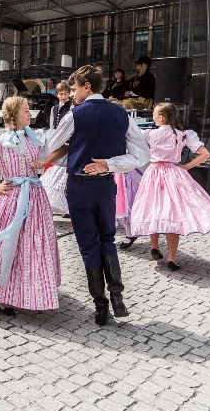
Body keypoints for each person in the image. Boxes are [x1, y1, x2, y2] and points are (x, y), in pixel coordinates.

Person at [37, 65, 149, 326]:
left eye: (74, 89)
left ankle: (101, 306)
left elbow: (52, 145)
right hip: (107, 185)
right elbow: (143, 154)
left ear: (87, 86)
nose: (72, 94)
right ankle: (117, 296)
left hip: (80, 187)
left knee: (88, 245)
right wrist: (109, 164)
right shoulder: (121, 114)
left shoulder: (75, 114)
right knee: (107, 239)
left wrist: (74, 146)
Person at [0, 96, 61, 314]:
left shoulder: (36, 138)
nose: (30, 114)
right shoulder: (0, 143)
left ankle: (27, 290)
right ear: (15, 115)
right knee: (6, 245)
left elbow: (62, 147)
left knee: (30, 246)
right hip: (13, 200)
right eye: (26, 110)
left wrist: (44, 162)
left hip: (33, 198)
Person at [129, 103, 210, 270]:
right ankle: (171, 257)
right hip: (174, 173)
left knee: (153, 209)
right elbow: (205, 154)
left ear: (161, 117)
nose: (153, 117)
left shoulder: (150, 134)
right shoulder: (183, 135)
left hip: (154, 172)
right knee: (173, 213)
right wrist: (186, 167)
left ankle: (154, 245)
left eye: (154, 114)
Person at [40, 82, 73, 214]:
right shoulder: (54, 108)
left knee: (65, 175)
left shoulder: (71, 108)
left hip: (67, 140)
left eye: (66, 94)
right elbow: (53, 125)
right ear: (57, 94)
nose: (63, 96)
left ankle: (67, 206)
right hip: (57, 139)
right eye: (61, 94)